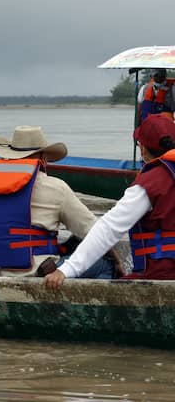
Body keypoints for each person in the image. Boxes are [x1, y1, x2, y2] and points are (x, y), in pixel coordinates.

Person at [45, 114, 175, 289]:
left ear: (143, 149)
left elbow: (109, 228)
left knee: (111, 271)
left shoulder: (149, 184)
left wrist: (67, 269)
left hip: (162, 276)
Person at [0, 126, 102, 277]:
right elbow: (93, 232)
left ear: (10, 156)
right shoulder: (56, 187)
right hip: (35, 274)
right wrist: (117, 261)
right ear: (43, 159)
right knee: (104, 265)